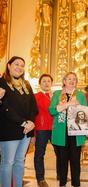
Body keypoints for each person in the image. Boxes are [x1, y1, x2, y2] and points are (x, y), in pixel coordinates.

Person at [0, 56, 38, 187]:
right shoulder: (2, 82)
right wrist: (23, 122)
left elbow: (33, 106)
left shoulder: (26, 84)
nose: (19, 67)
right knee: (8, 162)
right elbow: (5, 107)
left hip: (26, 130)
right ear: (9, 66)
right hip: (9, 129)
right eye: (16, 64)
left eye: (22, 65)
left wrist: (31, 122)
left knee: (20, 161)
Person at [49, 72, 87, 187]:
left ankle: (76, 183)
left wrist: (78, 107)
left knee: (76, 161)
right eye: (69, 79)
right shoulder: (57, 94)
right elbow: (52, 110)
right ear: (64, 81)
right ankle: (62, 183)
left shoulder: (81, 95)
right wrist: (67, 104)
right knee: (62, 160)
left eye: (74, 79)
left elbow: (84, 114)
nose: (71, 81)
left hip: (76, 132)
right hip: (61, 132)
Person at [33, 73, 60, 187]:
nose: (46, 83)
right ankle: (40, 179)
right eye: (44, 81)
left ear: (51, 83)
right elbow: (32, 114)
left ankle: (61, 174)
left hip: (55, 128)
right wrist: (33, 134)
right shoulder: (35, 96)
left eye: (48, 81)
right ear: (40, 84)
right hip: (41, 128)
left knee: (60, 152)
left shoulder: (56, 96)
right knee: (39, 154)